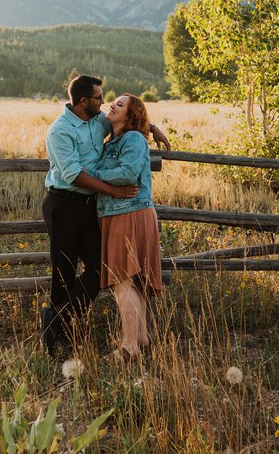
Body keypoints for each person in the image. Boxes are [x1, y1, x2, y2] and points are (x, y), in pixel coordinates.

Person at [42, 75, 169, 357]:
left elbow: (132, 120)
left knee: (101, 269)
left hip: (91, 206)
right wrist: (111, 189)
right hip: (63, 203)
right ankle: (59, 332)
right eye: (100, 98)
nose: (104, 103)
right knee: (63, 270)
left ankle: (57, 318)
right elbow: (73, 174)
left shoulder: (98, 119)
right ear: (84, 101)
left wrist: (153, 128)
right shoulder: (60, 131)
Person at [88, 94, 162, 360]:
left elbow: (128, 172)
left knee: (122, 280)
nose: (112, 105)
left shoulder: (132, 139)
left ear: (130, 115)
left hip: (129, 213)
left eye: (120, 105)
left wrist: (91, 175)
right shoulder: (113, 141)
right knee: (133, 281)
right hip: (120, 213)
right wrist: (153, 128)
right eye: (113, 102)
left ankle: (128, 347)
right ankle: (140, 340)